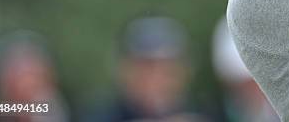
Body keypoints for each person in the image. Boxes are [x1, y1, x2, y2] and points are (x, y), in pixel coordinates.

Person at [80, 16, 210, 122]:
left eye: (166, 69)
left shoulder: (204, 112)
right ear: (125, 70)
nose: (157, 78)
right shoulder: (99, 116)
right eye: (147, 67)